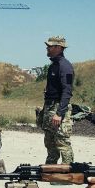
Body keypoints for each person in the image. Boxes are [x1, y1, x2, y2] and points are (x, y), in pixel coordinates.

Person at [39, 35, 74, 165]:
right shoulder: (53, 65)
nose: (47, 48)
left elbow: (67, 91)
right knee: (50, 142)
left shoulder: (65, 66)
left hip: (58, 109)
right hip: (49, 107)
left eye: (50, 46)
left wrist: (59, 113)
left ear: (58, 47)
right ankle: (50, 170)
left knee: (62, 142)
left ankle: (67, 172)